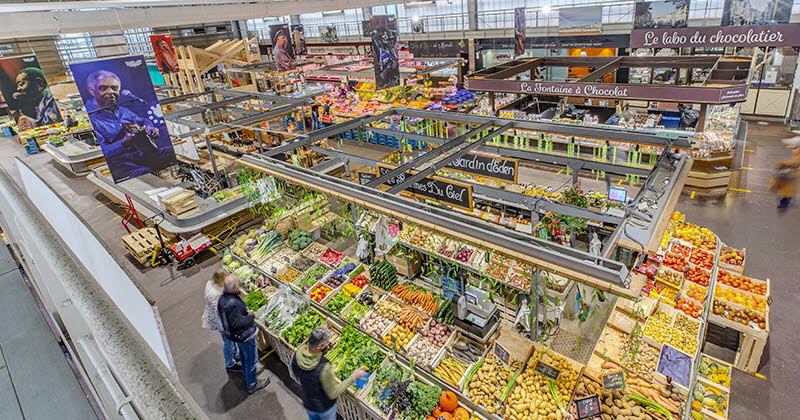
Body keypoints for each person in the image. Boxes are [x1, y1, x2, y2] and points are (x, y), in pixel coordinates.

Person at [84, 69, 171, 180]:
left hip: (139, 155)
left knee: (171, 153)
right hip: (119, 163)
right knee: (145, 175)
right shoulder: (90, 118)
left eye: (114, 88)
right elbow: (101, 152)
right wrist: (124, 142)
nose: (110, 91)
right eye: (104, 88)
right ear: (91, 90)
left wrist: (150, 127)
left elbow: (143, 120)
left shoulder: (121, 110)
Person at [292, 328, 367, 420]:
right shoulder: (323, 367)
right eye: (326, 343)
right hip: (324, 408)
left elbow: (296, 373)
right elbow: (333, 393)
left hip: (309, 403)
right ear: (319, 347)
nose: (327, 345)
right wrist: (353, 377)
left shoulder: (296, 355)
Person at [218, 275, 269, 394]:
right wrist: (251, 317)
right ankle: (252, 384)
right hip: (244, 336)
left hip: (236, 336)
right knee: (251, 358)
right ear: (235, 286)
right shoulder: (231, 303)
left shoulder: (223, 299)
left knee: (244, 356)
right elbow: (237, 323)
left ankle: (248, 373)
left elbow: (232, 318)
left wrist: (244, 313)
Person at [202, 270, 241, 371]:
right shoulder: (216, 294)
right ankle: (230, 364)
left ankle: (237, 355)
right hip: (221, 321)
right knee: (228, 341)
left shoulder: (211, 282)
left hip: (219, 317)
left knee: (232, 339)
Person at [769, 138, 800, 210]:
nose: (788, 146)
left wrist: (784, 170)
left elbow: (795, 168)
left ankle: (784, 204)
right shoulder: (796, 153)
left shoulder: (798, 155)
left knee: (787, 192)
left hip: (789, 183)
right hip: (788, 183)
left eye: (791, 144)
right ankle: (785, 203)